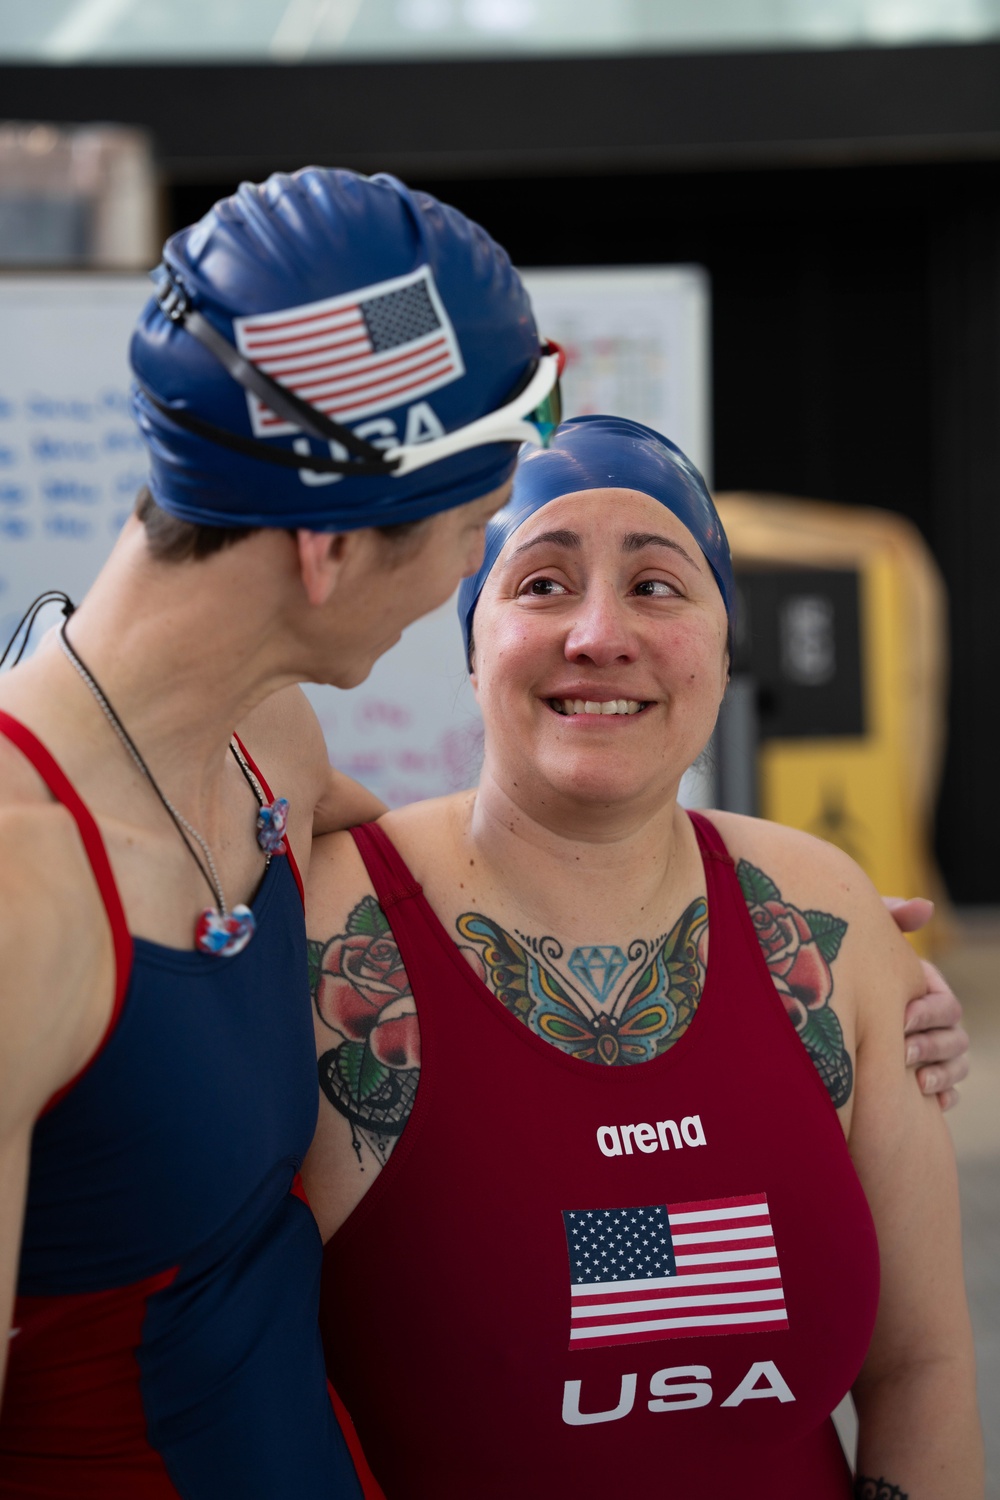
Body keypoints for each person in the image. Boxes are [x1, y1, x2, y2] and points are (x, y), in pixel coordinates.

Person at [0, 166, 563, 1497]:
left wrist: (792, 937)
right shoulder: (21, 898)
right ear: (329, 547)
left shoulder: (271, 744)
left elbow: (467, 874)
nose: (458, 585)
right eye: (472, 532)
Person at [302, 416, 982, 1500]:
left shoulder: (821, 912)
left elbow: (921, 1370)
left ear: (723, 646)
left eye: (659, 586)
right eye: (540, 586)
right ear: (472, 641)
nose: (598, 634)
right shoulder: (326, 929)